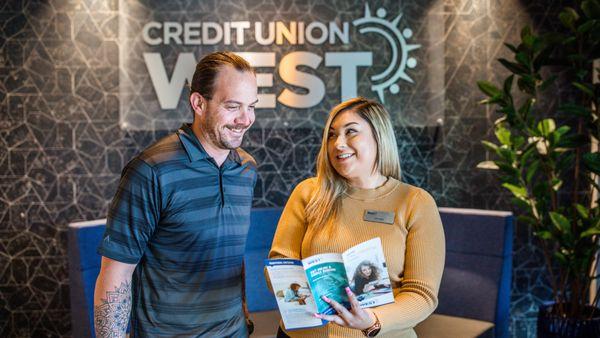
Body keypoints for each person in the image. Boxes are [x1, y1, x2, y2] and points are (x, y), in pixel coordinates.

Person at [94, 51, 258, 337]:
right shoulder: (151, 170)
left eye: (252, 106)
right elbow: (115, 275)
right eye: (233, 106)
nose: (245, 119)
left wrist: (243, 310)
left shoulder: (246, 169)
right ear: (198, 103)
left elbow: (230, 251)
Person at [268, 97, 445, 338]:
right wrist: (296, 287)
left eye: (351, 132)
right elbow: (280, 263)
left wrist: (372, 321)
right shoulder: (308, 192)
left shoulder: (415, 202)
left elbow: (421, 294)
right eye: (332, 135)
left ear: (379, 137)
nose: (338, 143)